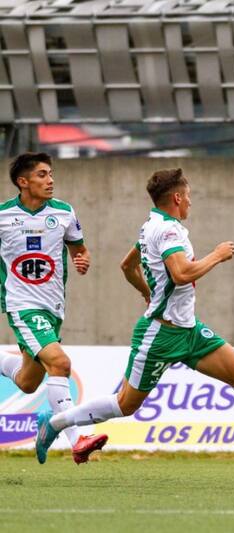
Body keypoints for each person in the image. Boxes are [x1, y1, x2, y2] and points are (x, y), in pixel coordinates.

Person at [36, 168, 234, 475]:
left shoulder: (154, 224)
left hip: (189, 331)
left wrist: (147, 292)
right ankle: (55, 422)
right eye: (188, 196)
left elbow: (127, 266)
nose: (190, 202)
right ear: (176, 198)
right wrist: (216, 254)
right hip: (160, 335)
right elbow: (181, 273)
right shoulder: (167, 231)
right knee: (125, 404)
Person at [0, 152, 107, 464]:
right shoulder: (3, 216)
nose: (50, 180)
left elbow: (79, 248)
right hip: (20, 305)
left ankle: (49, 421)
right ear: (23, 182)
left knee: (28, 382)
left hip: (53, 308)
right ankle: (76, 438)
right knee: (60, 364)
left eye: (51, 174)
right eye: (42, 175)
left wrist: (82, 259)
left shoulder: (63, 212)